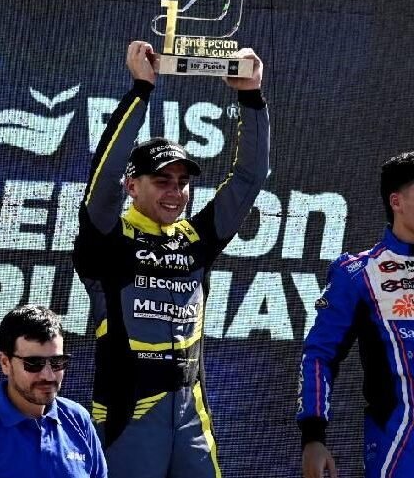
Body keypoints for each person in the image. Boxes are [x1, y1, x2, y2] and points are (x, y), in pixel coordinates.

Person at [73, 40, 270, 478]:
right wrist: (141, 90)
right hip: (128, 413)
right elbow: (104, 173)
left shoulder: (197, 238)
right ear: (132, 186)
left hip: (190, 413)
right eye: (162, 180)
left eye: (182, 182)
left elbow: (250, 177)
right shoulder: (106, 237)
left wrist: (251, 97)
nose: (175, 192)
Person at [297, 151, 414, 478]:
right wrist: (313, 438)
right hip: (400, 446)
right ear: (396, 201)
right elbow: (319, 355)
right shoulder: (359, 273)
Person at [0, 304, 107, 478]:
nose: (48, 375)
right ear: (5, 362)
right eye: (33, 363)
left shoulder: (78, 419)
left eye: (57, 362)